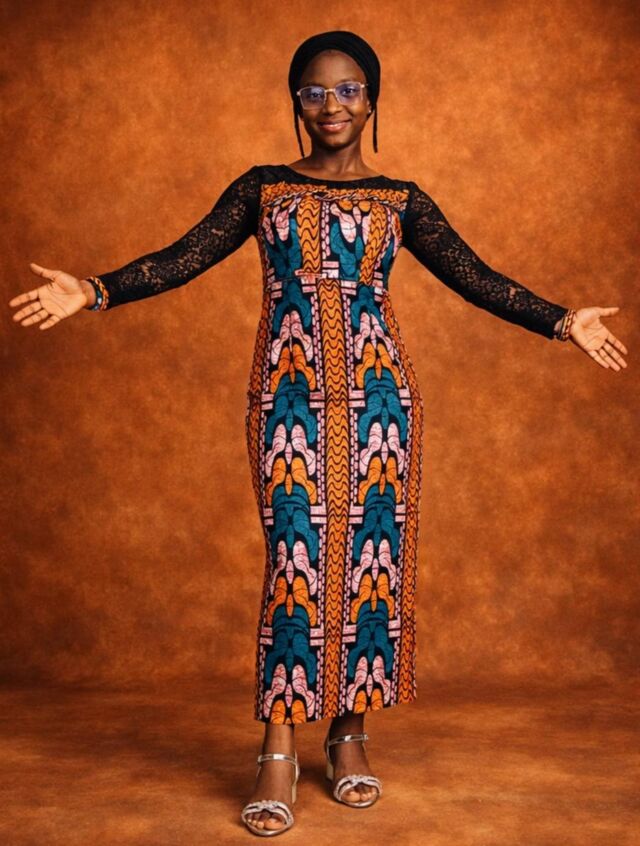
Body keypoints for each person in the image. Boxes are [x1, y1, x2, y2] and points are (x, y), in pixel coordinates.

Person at [9, 29, 627, 839]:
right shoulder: (263, 190)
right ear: (295, 102)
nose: (330, 105)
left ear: (372, 99)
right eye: (313, 91)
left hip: (381, 404)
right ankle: (277, 747)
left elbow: (475, 276)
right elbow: (184, 256)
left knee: (371, 561)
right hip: (288, 400)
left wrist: (562, 320)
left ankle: (348, 736)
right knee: (295, 558)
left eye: (347, 90)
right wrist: (94, 290)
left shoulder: (401, 200)